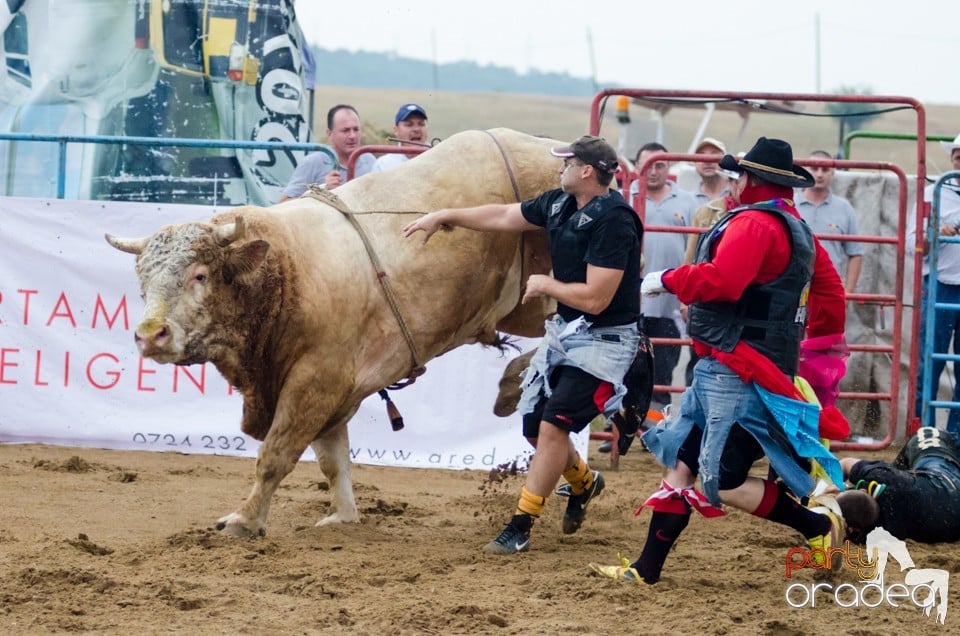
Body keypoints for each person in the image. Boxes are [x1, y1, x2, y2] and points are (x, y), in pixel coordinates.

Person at [591, 137, 847, 584]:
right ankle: (646, 570)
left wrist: (666, 279)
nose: (736, 181)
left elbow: (725, 282)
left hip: (739, 371)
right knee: (685, 467)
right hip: (748, 366)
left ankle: (819, 527)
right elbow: (831, 297)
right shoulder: (798, 228)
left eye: (740, 174)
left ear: (752, 179)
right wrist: (799, 342)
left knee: (721, 480)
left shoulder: (755, 225)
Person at [402, 136, 641, 554]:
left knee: (552, 428)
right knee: (536, 428)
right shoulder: (559, 203)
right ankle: (585, 484)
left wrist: (547, 283)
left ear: (587, 171)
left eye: (567, 162)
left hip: (604, 341)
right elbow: (503, 215)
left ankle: (520, 524)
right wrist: (444, 215)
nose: (559, 168)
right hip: (568, 333)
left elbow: (598, 298)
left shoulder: (615, 220)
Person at [632, 142, 697, 407]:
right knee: (625, 369)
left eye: (660, 165)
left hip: (669, 303)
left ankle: (654, 428)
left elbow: (693, 249)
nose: (654, 171)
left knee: (662, 370)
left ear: (668, 167)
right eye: (648, 165)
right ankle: (617, 432)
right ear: (637, 166)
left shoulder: (687, 202)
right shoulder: (626, 197)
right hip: (632, 301)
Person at [907, 133, 960, 433]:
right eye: (959, 156)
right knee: (929, 364)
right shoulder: (931, 194)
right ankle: (923, 434)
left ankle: (955, 440)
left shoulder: (933, 192)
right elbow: (914, 245)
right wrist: (937, 231)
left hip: (944, 283)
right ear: (952, 158)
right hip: (940, 284)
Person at [837, 426, 960, 543]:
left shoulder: (871, 536)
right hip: (945, 478)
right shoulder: (891, 480)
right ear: (864, 492)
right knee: (926, 432)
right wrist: (830, 487)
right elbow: (845, 463)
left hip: (952, 519)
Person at [795, 150, 864, 295]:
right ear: (805, 171)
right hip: (793, 286)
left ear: (833, 173)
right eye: (814, 168)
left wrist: (848, 293)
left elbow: (855, 253)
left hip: (828, 289)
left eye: (825, 169)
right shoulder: (791, 204)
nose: (820, 174)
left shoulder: (844, 208)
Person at [280, 104, 376, 201]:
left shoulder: (370, 161)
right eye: (345, 130)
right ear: (329, 134)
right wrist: (322, 191)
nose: (352, 136)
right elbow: (284, 203)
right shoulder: (313, 162)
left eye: (356, 129)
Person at [371, 103, 430, 172]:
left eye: (421, 124)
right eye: (409, 125)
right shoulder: (383, 165)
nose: (416, 129)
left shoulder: (439, 158)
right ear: (396, 131)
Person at [690, 137, 731, 207]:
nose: (707, 161)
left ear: (724, 161)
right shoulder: (689, 198)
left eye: (714, 154)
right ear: (695, 163)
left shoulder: (737, 192)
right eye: (701, 156)